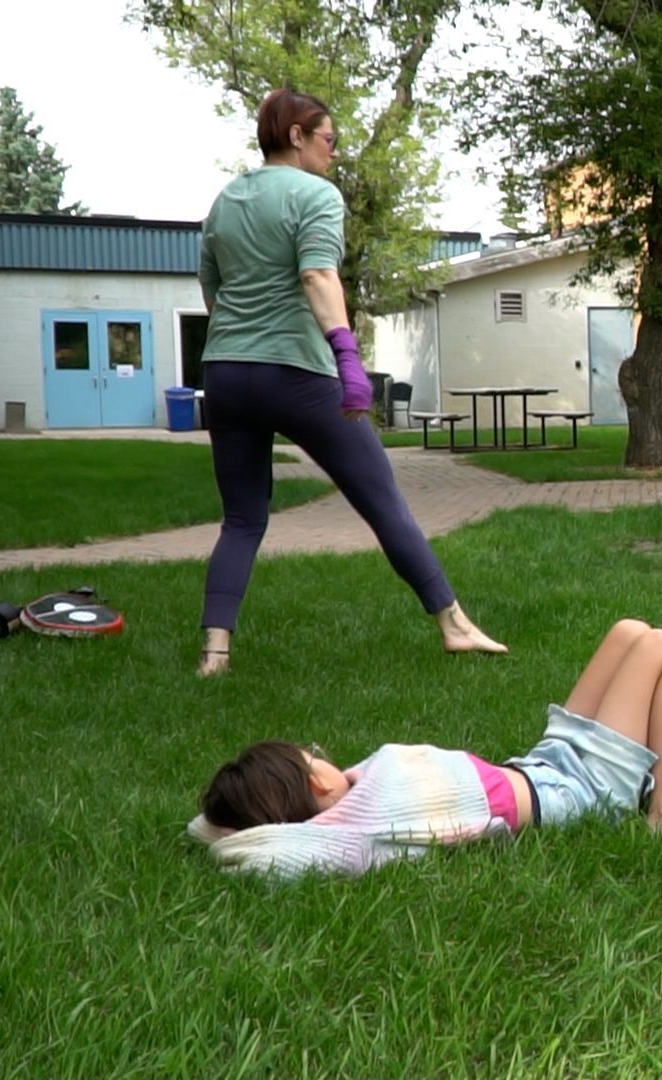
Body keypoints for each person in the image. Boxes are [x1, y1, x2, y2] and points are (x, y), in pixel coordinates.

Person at [193, 87, 504, 676]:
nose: (334, 153)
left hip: (227, 373)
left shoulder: (226, 200)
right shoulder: (315, 194)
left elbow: (212, 290)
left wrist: (242, 339)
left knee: (241, 518)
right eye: (329, 140)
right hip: (298, 374)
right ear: (297, 137)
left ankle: (215, 651)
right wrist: (348, 359)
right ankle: (455, 625)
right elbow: (316, 275)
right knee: (382, 501)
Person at [188, 619, 662, 878]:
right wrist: (238, 835)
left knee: (628, 632)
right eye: (311, 755)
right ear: (315, 784)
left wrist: (229, 816)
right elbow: (278, 851)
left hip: (543, 763)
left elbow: (224, 829)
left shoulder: (350, 789)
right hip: (580, 792)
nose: (320, 754)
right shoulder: (363, 824)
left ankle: (654, 784)